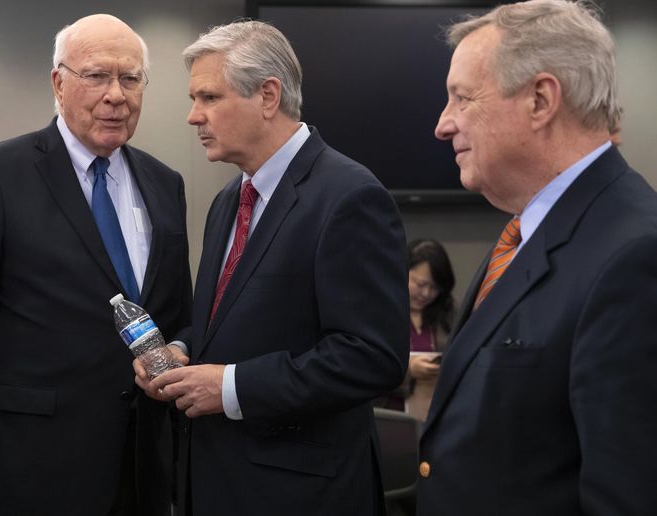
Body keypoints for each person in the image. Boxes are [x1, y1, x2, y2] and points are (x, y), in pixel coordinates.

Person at [0, 14, 192, 516]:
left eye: (130, 78)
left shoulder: (164, 182)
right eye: (96, 76)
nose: (116, 94)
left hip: (141, 467)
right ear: (58, 82)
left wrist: (177, 348)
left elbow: (180, 313)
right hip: (31, 464)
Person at [137, 20, 409, 516]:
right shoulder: (228, 200)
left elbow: (372, 356)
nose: (193, 116)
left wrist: (230, 387)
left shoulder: (350, 196)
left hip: (300, 494)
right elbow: (232, 323)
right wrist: (180, 350)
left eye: (209, 98)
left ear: (267, 96)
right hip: (216, 481)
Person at [419, 1, 657, 514]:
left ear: (541, 99)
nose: (443, 124)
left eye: (461, 98)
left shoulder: (636, 256)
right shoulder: (528, 232)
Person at [386, 239, 455, 422]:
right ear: (403, 272)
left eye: (434, 287)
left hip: (437, 415)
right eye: (420, 284)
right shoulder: (382, 311)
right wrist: (409, 370)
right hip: (390, 414)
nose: (426, 294)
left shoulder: (449, 316)